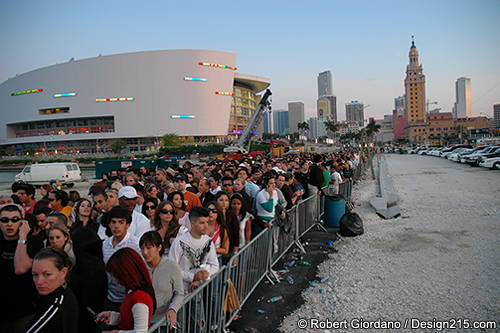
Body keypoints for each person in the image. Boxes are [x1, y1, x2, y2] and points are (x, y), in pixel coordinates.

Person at [0, 203, 44, 332]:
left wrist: (23, 237)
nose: (9, 224)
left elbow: (21, 268)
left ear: (22, 222)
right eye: (4, 220)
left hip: (24, 309)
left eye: (14, 220)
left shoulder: (34, 242)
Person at [96, 248, 156, 333]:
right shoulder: (133, 292)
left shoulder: (140, 297)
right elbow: (130, 317)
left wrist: (116, 332)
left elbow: (140, 331)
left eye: (117, 275)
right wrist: (112, 316)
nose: (115, 279)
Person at [25, 248, 78, 333]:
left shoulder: (56, 306)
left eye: (47, 274)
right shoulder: (63, 293)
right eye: (35, 275)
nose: (39, 281)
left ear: (63, 272)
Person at [169, 206, 219, 293]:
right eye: (202, 223)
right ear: (192, 223)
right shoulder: (179, 242)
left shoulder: (208, 241)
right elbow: (172, 268)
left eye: (207, 222)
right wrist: (193, 277)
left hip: (201, 289)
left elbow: (215, 265)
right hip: (181, 291)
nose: (206, 226)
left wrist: (202, 277)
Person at [140, 231, 184, 328]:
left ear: (159, 247)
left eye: (149, 248)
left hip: (163, 321)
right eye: (142, 248)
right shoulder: (140, 267)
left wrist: (173, 309)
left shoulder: (171, 266)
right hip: (142, 320)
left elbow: (179, 293)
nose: (145, 252)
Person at [102, 206, 142, 311]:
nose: (116, 226)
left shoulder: (136, 245)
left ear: (128, 225)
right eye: (113, 222)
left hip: (129, 299)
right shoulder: (105, 244)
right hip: (109, 297)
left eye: (121, 222)